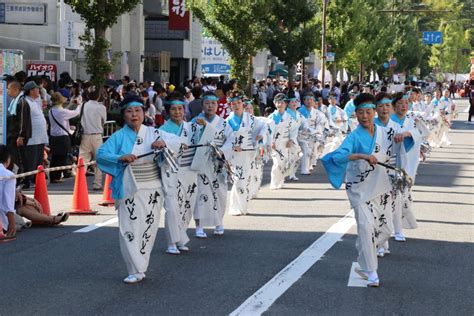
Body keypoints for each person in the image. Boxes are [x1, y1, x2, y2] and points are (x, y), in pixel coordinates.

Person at [321, 93, 410, 287]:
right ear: (356, 115)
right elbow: (339, 156)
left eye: (368, 112)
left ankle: (365, 251)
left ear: (374, 111)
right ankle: (371, 272)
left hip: (383, 186)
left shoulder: (387, 131)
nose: (364, 116)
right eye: (360, 112)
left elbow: (409, 138)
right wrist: (361, 155)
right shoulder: (354, 136)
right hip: (360, 188)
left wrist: (406, 135)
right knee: (365, 227)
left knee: (385, 230)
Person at [97, 95, 180, 284]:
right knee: (129, 227)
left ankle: (141, 266)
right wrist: (120, 157)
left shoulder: (153, 133)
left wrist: (164, 144)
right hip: (130, 186)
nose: (134, 114)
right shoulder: (118, 136)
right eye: (129, 111)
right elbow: (101, 154)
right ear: (123, 115)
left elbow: (179, 141)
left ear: (144, 113)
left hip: (153, 187)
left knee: (148, 229)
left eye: (137, 110)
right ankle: (134, 269)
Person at [159, 92, 216, 254]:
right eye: (174, 109)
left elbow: (203, 140)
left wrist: (204, 126)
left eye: (180, 109)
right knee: (172, 207)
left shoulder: (191, 126)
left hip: (190, 171)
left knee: (187, 205)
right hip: (172, 170)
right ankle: (171, 242)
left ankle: (181, 237)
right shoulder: (162, 129)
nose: (177, 112)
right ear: (168, 111)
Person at [193, 91, 234, 237]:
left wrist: (222, 152)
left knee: (219, 193)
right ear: (202, 105)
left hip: (217, 163)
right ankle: (199, 226)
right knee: (200, 194)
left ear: (217, 105)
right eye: (207, 103)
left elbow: (231, 141)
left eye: (213, 103)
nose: (210, 106)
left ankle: (219, 223)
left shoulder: (223, 124)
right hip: (200, 163)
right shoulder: (194, 122)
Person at [226, 90, 266, 216]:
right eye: (234, 103)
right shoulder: (227, 121)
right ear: (230, 105)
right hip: (234, 154)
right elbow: (223, 138)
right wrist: (232, 146)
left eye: (239, 102)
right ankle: (235, 207)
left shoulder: (250, 119)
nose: (237, 105)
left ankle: (242, 206)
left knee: (244, 179)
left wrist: (260, 135)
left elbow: (264, 126)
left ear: (242, 103)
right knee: (238, 179)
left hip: (248, 153)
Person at [390, 92, 422, 242]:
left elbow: (420, 134)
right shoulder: (388, 121)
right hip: (388, 164)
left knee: (399, 197)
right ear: (394, 105)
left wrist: (409, 133)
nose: (403, 106)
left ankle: (398, 230)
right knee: (385, 199)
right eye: (400, 103)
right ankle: (387, 230)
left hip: (405, 165)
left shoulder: (411, 120)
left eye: (405, 103)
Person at [48, 92, 82, 183]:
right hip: (62, 137)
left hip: (54, 137)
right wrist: (79, 104)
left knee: (55, 157)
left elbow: (64, 111)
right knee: (62, 157)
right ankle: (59, 175)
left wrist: (71, 104)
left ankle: (54, 176)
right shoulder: (61, 112)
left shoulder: (52, 110)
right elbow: (76, 113)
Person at [22, 81, 49, 189]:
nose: (38, 90)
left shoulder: (35, 101)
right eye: (36, 89)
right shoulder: (26, 102)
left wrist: (42, 91)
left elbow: (43, 95)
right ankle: (28, 180)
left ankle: (35, 179)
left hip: (40, 137)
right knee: (31, 160)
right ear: (30, 91)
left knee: (38, 160)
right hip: (32, 137)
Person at [80, 88, 107, 190]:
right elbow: (104, 121)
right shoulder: (101, 108)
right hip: (96, 135)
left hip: (84, 135)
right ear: (98, 96)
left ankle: (80, 183)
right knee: (98, 160)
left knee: (83, 161)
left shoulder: (83, 106)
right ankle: (97, 184)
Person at [268, 93, 295, 189]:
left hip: (285, 142)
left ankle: (280, 181)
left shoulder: (289, 117)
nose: (280, 104)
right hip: (275, 143)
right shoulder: (271, 117)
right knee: (277, 162)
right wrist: (271, 142)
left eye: (282, 102)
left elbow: (293, 129)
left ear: (286, 104)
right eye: (278, 102)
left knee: (284, 162)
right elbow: (269, 131)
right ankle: (273, 182)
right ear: (275, 104)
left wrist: (291, 140)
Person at [6, 81, 31, 176]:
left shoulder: (22, 102)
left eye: (9, 89)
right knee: (15, 157)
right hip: (13, 134)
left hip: (18, 136)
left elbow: (23, 121)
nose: (7, 91)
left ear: (15, 89)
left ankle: (24, 179)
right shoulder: (15, 101)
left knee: (20, 158)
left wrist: (21, 136)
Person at [0, 145, 16, 241]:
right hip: (2, 220)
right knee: (20, 223)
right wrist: (12, 224)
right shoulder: (8, 175)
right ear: (8, 159)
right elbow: (8, 201)